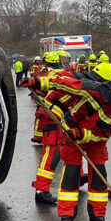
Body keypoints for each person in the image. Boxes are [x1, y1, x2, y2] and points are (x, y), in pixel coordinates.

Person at [23, 73, 111, 221]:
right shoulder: (94, 90)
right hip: (71, 134)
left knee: (99, 177)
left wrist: (82, 134)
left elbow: (104, 134)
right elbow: (64, 83)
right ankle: (67, 214)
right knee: (71, 174)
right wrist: (37, 82)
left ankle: (97, 214)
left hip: (96, 142)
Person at [27, 52, 74, 203]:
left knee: (70, 149)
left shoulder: (53, 73)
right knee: (51, 152)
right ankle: (41, 191)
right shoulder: (68, 75)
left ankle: (76, 178)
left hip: (59, 117)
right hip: (51, 117)